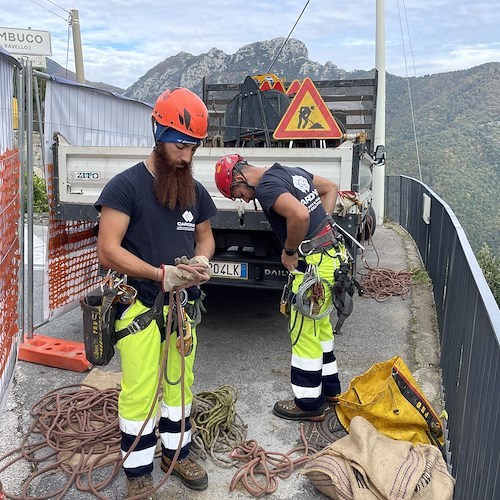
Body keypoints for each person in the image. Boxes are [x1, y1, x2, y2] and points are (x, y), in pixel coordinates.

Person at [95, 87, 217, 497]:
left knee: (181, 384)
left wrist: (201, 262)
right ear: (158, 134)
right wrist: (159, 274)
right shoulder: (125, 186)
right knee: (141, 389)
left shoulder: (193, 191)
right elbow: (108, 250)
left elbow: (205, 237)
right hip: (141, 307)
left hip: (182, 310)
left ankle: (176, 453)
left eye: (193, 148)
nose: (186, 156)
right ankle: (138, 472)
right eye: (180, 145)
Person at [214, 154, 349, 422]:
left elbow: (298, 214)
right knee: (320, 329)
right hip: (332, 257)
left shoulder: (266, 187)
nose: (241, 199)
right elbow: (330, 188)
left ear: (238, 178)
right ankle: (331, 389)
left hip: (313, 265)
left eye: (236, 194)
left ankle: (309, 403)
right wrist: (322, 228)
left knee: (303, 333)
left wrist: (290, 251)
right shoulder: (291, 172)